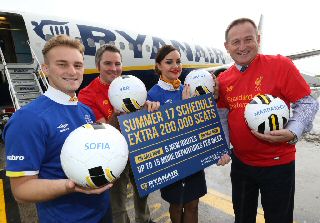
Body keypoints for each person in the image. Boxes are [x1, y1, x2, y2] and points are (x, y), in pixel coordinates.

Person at [217, 18, 319, 223]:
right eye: (236, 42)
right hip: (241, 164)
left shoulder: (281, 65)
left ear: (258, 40)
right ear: (227, 47)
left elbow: (307, 103)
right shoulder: (222, 80)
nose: (243, 47)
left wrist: (293, 131)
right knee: (243, 218)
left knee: (278, 219)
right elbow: (222, 117)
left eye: (248, 39)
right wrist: (221, 147)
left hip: (278, 164)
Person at [3, 35, 113, 223]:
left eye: (77, 65)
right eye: (62, 64)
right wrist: (71, 186)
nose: (72, 71)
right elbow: (21, 190)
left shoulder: (85, 110)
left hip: (103, 213)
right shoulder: (27, 119)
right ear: (45, 69)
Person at [147, 45, 230, 223]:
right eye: (169, 62)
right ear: (158, 66)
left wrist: (212, 97)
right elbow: (157, 134)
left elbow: (206, 121)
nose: (175, 66)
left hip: (193, 157)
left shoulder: (188, 87)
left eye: (178, 61)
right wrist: (183, 109)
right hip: (172, 159)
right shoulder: (153, 94)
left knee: (193, 204)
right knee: (176, 205)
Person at [78, 44, 158, 223]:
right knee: (117, 203)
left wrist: (152, 107)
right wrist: (116, 113)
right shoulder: (87, 95)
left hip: (137, 149)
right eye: (108, 63)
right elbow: (102, 134)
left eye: (117, 64)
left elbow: (145, 114)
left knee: (143, 190)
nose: (114, 69)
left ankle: (144, 220)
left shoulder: (132, 85)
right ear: (98, 65)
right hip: (113, 155)